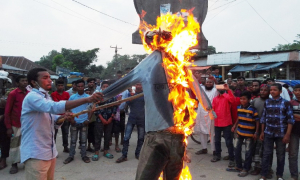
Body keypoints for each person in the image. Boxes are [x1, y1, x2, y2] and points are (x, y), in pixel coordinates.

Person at [21, 68, 103, 180]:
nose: (50, 80)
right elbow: (53, 107)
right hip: (36, 154)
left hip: (49, 152)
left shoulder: (45, 96)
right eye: (45, 78)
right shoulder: (32, 97)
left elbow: (51, 117)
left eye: (49, 77)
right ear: (33, 82)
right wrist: (87, 99)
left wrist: (62, 117)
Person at [259, 83, 295, 180]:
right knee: (266, 154)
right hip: (268, 132)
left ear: (280, 91)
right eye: (271, 90)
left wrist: (287, 135)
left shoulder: (286, 103)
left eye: (274, 90)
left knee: (280, 155)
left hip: (281, 133)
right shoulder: (267, 102)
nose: (272, 91)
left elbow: (290, 120)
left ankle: (279, 175)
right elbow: (263, 118)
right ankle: (264, 175)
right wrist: (262, 132)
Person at [228, 91, 259, 177]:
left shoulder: (252, 109)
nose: (242, 100)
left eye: (244, 99)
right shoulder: (239, 107)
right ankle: (238, 166)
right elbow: (239, 117)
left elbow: (257, 121)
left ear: (249, 99)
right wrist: (235, 126)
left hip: (249, 134)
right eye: (241, 99)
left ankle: (246, 168)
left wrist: (256, 132)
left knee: (248, 152)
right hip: (240, 132)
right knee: (236, 149)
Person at [64, 79, 92, 164]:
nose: (80, 88)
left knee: (83, 141)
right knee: (73, 140)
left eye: (82, 86)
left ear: (84, 86)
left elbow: (91, 110)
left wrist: (88, 119)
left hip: (84, 122)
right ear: (76, 87)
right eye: (78, 86)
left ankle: (84, 155)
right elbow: (68, 109)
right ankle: (71, 156)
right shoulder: (72, 97)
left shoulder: (88, 97)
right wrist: (71, 120)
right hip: (74, 122)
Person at [4, 75, 28, 174]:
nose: (25, 82)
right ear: (17, 83)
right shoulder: (13, 94)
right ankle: (14, 164)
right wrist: (8, 127)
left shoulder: (30, 94)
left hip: (27, 124)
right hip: (16, 124)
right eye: (22, 81)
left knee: (26, 144)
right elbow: (7, 111)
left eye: (26, 81)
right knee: (15, 145)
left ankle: (26, 162)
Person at [116, 83, 145, 163]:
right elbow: (127, 104)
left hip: (142, 119)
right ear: (135, 86)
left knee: (141, 138)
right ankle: (124, 155)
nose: (138, 86)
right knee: (126, 138)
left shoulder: (145, 94)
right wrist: (130, 98)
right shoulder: (131, 93)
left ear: (142, 86)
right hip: (132, 118)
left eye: (140, 84)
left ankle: (138, 154)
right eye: (137, 84)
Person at [211, 84, 235, 168]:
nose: (220, 89)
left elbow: (233, 100)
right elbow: (212, 109)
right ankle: (218, 155)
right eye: (219, 88)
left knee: (228, 141)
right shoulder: (215, 99)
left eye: (222, 88)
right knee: (217, 140)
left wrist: (228, 90)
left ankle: (232, 158)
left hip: (226, 123)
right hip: (217, 123)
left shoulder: (227, 96)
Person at [93, 81, 117, 160]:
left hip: (109, 120)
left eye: (107, 87)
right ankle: (96, 152)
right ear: (101, 88)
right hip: (100, 120)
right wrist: (102, 118)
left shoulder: (113, 97)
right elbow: (96, 109)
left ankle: (106, 151)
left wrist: (111, 118)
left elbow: (115, 108)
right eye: (104, 87)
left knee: (108, 136)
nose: (105, 88)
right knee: (98, 136)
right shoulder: (98, 97)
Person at [194, 79, 218, 155]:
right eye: (207, 82)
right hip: (201, 113)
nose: (208, 83)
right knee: (202, 132)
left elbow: (216, 101)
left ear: (213, 83)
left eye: (210, 82)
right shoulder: (201, 90)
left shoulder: (215, 91)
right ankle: (204, 148)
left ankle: (214, 150)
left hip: (211, 113)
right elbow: (197, 100)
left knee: (212, 133)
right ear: (205, 83)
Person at [250, 85, 270, 176]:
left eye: (265, 90)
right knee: (256, 149)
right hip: (256, 128)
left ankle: (267, 169)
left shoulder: (271, 101)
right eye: (261, 90)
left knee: (267, 151)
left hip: (269, 129)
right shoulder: (255, 101)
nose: (263, 92)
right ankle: (257, 167)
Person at [51, 79, 70, 153]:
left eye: (62, 85)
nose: (60, 87)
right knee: (54, 133)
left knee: (65, 132)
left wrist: (67, 113)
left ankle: (65, 146)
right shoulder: (53, 94)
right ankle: (53, 148)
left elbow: (68, 104)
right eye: (59, 85)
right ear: (56, 86)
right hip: (56, 116)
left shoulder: (66, 94)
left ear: (64, 86)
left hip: (65, 116)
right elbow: (53, 105)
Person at [288, 84, 300, 180]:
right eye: (296, 91)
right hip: (293, 131)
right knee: (293, 154)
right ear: (293, 92)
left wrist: (295, 116)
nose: (298, 93)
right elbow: (288, 116)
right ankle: (294, 176)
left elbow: (292, 116)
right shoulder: (291, 103)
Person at [86, 78, 96, 152]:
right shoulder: (84, 91)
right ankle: (84, 145)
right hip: (85, 113)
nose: (91, 83)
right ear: (88, 83)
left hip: (94, 114)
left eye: (93, 82)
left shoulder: (96, 92)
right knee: (85, 130)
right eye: (90, 82)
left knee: (92, 130)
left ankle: (91, 145)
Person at [0, 94, 9, 171]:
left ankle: (3, 159)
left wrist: (2, 116)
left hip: (2, 125)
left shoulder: (2, 101)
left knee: (4, 141)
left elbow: (7, 112)